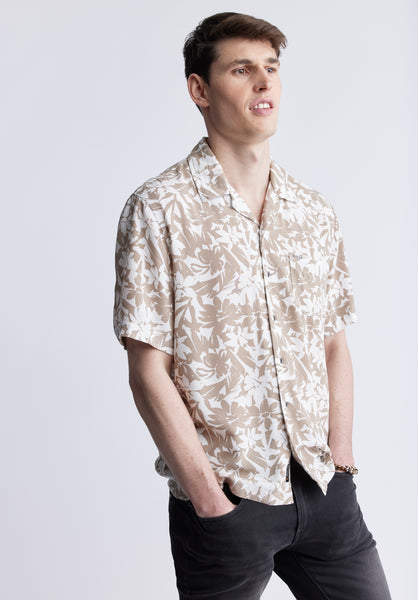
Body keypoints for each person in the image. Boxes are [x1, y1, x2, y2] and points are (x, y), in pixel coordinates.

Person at [113, 12, 392, 600]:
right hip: (229, 502)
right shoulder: (158, 209)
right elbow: (147, 370)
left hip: (325, 493)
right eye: (242, 70)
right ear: (199, 89)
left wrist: (341, 464)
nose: (264, 82)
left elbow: (334, 343)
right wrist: (209, 500)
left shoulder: (313, 212)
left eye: (271, 68)